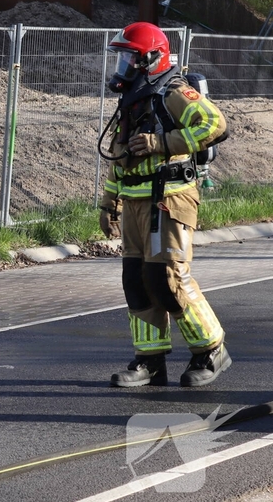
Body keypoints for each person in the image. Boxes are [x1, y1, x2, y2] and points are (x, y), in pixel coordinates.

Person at [98, 21, 230, 388]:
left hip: (170, 200)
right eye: (121, 59)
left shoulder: (173, 92)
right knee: (136, 281)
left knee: (166, 277)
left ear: (152, 58)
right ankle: (149, 362)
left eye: (129, 59)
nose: (122, 67)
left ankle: (211, 350)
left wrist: (162, 143)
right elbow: (120, 155)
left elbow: (215, 125)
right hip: (136, 202)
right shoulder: (134, 99)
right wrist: (108, 202)